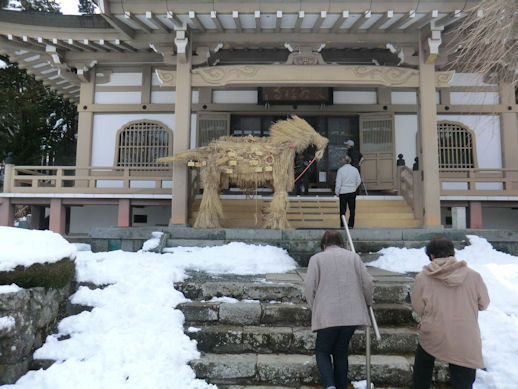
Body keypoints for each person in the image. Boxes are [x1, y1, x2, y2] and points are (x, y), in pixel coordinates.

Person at [410, 236, 490, 389]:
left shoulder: (422, 278)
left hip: (434, 333)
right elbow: (484, 304)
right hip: (465, 335)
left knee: (422, 374)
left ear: (431, 256)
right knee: (463, 382)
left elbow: (419, 307)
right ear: (453, 253)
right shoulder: (473, 276)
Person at [304, 230, 374, 389]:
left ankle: (330, 386)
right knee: (341, 352)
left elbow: (308, 287)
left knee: (322, 351)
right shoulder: (354, 257)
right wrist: (368, 302)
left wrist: (315, 306)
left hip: (327, 314)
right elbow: (368, 283)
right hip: (352, 314)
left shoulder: (317, 259)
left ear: (323, 245)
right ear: (342, 243)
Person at [335, 155, 362, 228]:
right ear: (350, 161)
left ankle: (343, 225)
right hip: (352, 191)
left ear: (343, 161)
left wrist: (337, 192)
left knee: (342, 210)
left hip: (343, 192)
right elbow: (358, 181)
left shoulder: (341, 170)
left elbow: (338, 182)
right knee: (352, 209)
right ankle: (351, 224)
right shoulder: (355, 169)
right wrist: (354, 187)